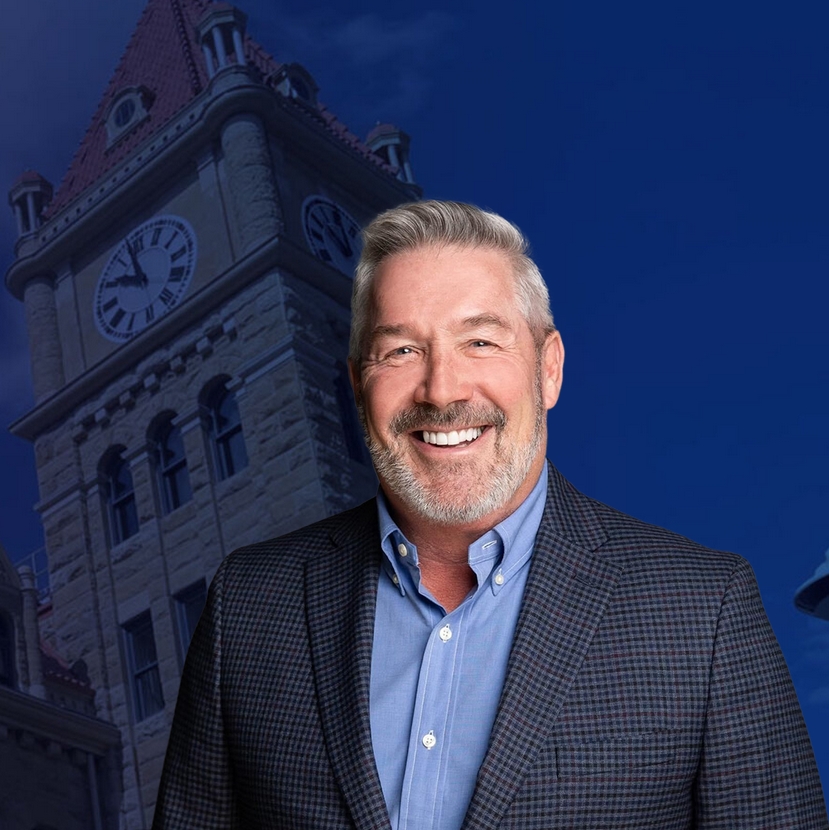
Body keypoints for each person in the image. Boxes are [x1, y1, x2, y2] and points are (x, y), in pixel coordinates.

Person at [154, 200, 828, 829]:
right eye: (401, 350)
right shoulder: (250, 603)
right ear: (360, 386)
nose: (441, 388)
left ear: (549, 370)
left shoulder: (700, 608)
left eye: (480, 342)